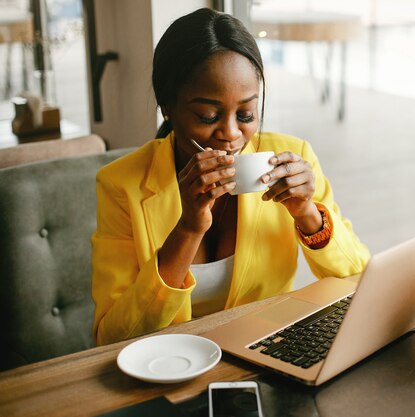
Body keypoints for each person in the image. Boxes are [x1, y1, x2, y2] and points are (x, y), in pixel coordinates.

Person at [91, 8, 370, 346]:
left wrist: (307, 214)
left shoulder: (292, 156)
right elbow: (112, 336)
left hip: (267, 350)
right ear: (168, 106)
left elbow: (360, 279)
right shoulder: (122, 184)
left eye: (246, 114)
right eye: (208, 115)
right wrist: (188, 228)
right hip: (172, 362)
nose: (231, 133)